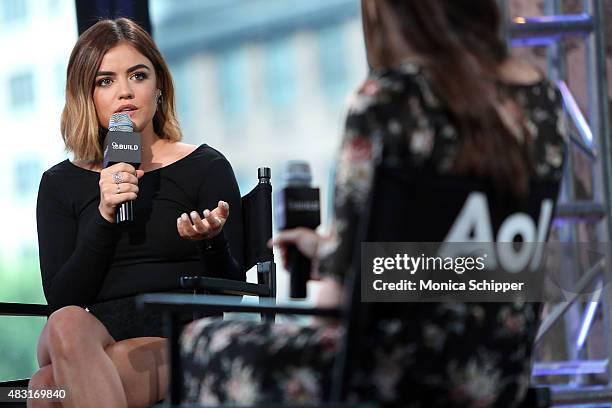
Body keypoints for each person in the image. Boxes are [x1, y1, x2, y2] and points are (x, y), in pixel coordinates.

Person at [180, 0, 567, 406]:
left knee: (205, 340)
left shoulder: (388, 100)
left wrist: (338, 268)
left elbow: (334, 308)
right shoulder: (541, 99)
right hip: (500, 376)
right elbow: (481, 262)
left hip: (395, 378)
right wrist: (335, 253)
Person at [29, 18, 244, 408]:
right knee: (65, 323)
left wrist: (211, 244)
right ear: (87, 96)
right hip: (86, 332)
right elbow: (61, 298)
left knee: (44, 391)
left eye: (138, 75)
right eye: (105, 81)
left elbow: (233, 293)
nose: (124, 92)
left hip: (172, 334)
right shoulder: (59, 183)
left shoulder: (204, 166)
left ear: (158, 87)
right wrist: (105, 212)